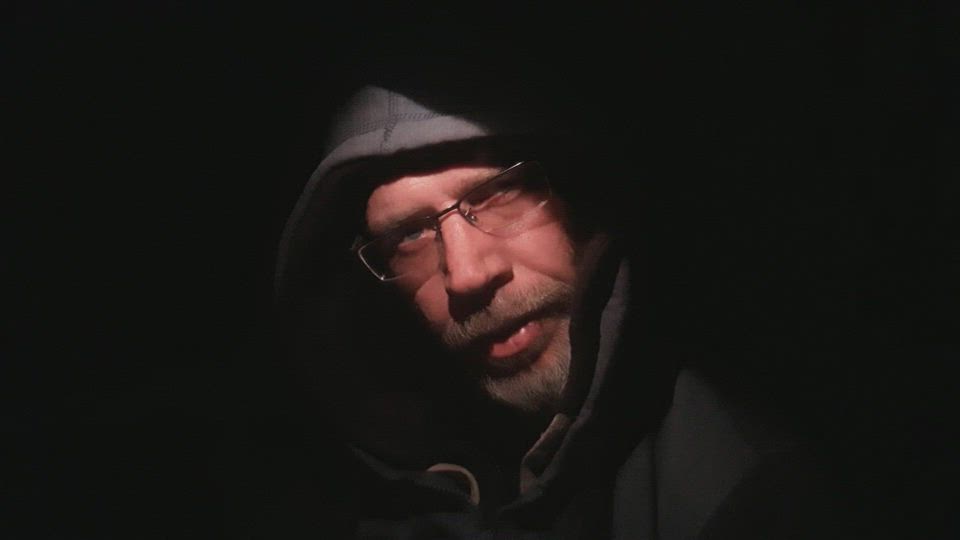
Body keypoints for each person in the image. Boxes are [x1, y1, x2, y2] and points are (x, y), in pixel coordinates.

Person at [264, 56, 849, 539]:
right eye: (408, 236)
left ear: (580, 199)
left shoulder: (741, 496)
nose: (466, 275)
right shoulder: (337, 505)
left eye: (498, 193)